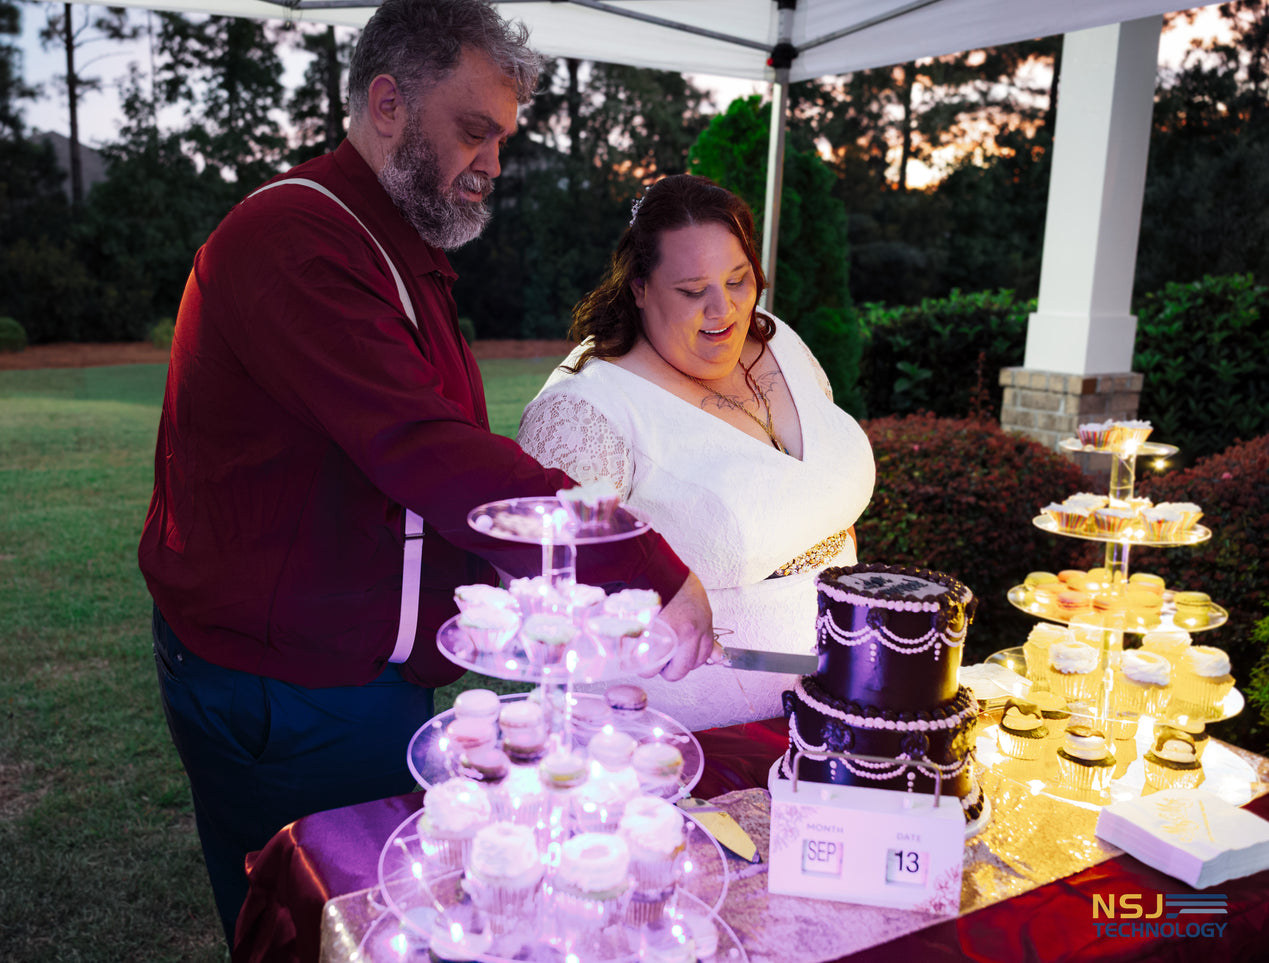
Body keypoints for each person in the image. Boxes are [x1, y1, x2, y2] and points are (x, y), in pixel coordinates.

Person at [137, 0, 715, 945]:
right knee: (323, 928)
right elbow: (425, 448)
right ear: (387, 102)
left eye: (501, 139)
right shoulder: (298, 240)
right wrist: (643, 563)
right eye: (472, 131)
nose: (491, 163)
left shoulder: (391, 246)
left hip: (353, 678)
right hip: (288, 688)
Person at [517, 174, 875, 730]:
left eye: (738, 280)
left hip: (837, 701)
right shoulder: (585, 410)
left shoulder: (780, 340)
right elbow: (543, 593)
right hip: (692, 734)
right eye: (692, 291)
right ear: (638, 287)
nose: (722, 311)